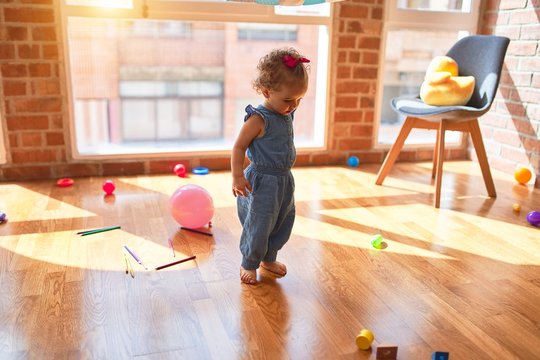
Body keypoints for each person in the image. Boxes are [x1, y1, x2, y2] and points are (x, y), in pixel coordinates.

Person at [231, 48, 310, 285]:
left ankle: (269, 257)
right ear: (266, 91)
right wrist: (236, 176)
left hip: (283, 180)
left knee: (282, 220)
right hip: (262, 181)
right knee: (260, 222)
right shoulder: (258, 118)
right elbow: (238, 147)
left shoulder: (285, 112)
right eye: (288, 100)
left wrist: (288, 104)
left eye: (299, 99)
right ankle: (249, 261)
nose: (294, 105)